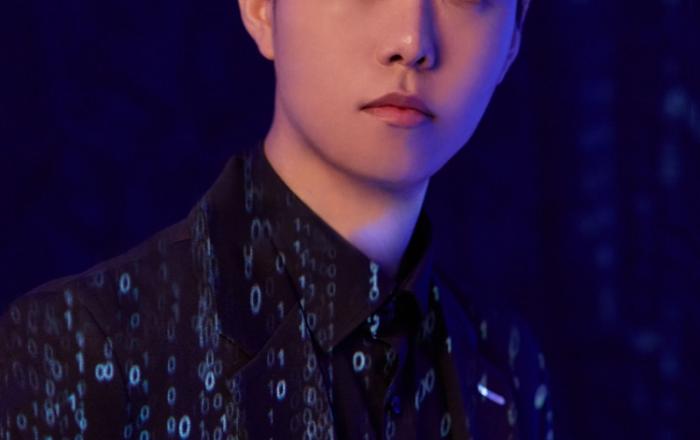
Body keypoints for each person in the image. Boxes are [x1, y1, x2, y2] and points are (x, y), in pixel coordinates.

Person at [0, 0, 555, 438]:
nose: (411, 43)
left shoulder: (506, 363)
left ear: (513, 37)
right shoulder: (85, 345)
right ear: (262, 7)